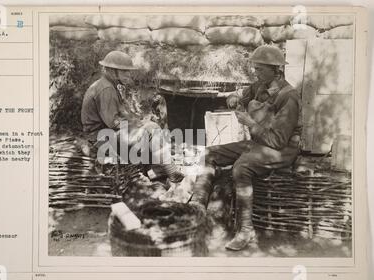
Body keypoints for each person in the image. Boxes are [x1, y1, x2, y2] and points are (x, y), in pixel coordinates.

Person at [189, 45, 303, 251]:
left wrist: (250, 123)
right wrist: (233, 98)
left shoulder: (289, 96)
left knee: (241, 167)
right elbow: (239, 94)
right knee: (209, 153)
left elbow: (278, 141)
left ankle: (246, 230)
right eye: (255, 68)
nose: (255, 72)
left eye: (259, 69)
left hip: (282, 150)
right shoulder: (259, 86)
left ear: (276, 70)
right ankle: (197, 206)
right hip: (260, 143)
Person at [81, 50, 183, 182]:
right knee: (152, 130)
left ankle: (155, 172)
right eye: (124, 71)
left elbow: (123, 113)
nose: (128, 75)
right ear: (112, 71)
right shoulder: (106, 89)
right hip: (100, 139)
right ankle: (171, 171)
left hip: (106, 134)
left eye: (128, 71)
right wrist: (141, 128)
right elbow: (114, 122)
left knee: (150, 128)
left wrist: (139, 122)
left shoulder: (109, 86)